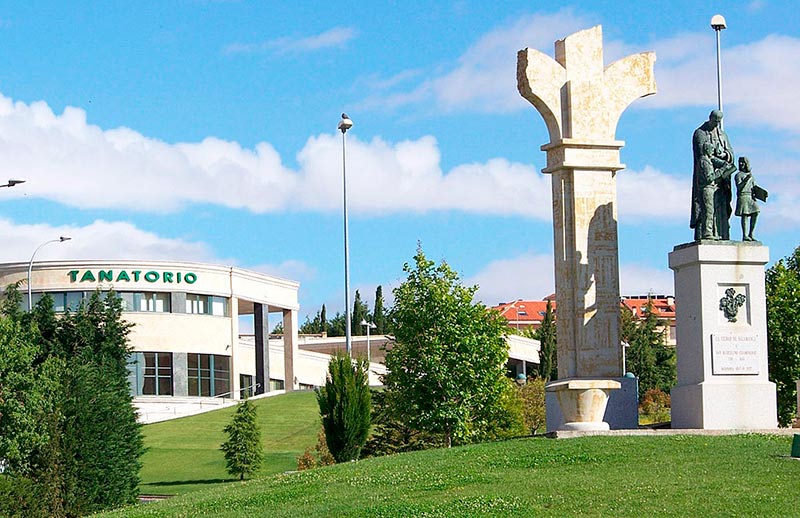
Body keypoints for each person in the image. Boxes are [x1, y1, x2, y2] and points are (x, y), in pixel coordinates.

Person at [690, 110, 735, 240]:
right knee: (707, 209)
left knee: (721, 208)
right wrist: (721, 164)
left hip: (721, 181)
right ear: (710, 118)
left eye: (718, 122)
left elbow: (730, 152)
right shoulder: (700, 133)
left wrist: (725, 155)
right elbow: (703, 154)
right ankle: (706, 233)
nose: (716, 124)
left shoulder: (723, 135)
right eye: (715, 121)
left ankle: (723, 234)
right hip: (707, 178)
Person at [735, 156, 760, 241]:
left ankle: (751, 233)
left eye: (743, 162)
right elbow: (739, 187)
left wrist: (760, 193)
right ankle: (745, 235)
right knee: (744, 215)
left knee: (756, 212)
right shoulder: (738, 175)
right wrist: (746, 180)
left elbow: (754, 186)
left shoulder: (751, 176)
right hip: (743, 196)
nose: (741, 164)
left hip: (750, 197)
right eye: (740, 162)